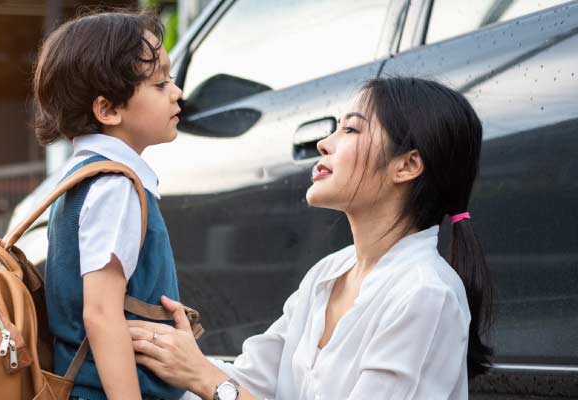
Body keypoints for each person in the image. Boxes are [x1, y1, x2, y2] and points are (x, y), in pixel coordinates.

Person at [129, 77, 494, 400]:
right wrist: (167, 350)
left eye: (350, 130)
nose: (323, 144)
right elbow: (250, 380)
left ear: (407, 165)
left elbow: (222, 387)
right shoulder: (327, 275)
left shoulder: (426, 295)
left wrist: (205, 378)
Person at [32, 10, 185, 400]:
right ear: (108, 109)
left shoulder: (81, 178)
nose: (177, 91)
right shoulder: (114, 186)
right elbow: (100, 314)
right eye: (160, 83)